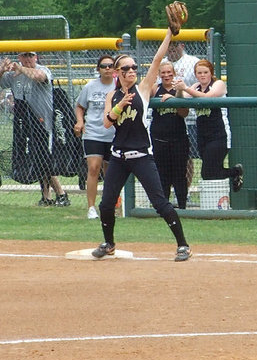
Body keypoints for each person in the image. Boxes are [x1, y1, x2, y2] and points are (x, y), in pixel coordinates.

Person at [92, 29, 191, 262]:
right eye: (126, 68)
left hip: (141, 156)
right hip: (118, 157)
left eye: (134, 67)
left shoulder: (143, 88)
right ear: (117, 72)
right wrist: (120, 106)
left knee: (159, 202)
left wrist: (169, 34)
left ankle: (183, 245)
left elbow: (157, 59)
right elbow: (107, 123)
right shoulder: (113, 96)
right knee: (106, 204)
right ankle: (109, 243)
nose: (132, 71)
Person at [0, 51, 70, 207]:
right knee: (38, 159)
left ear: (35, 57)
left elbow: (39, 77)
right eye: (24, 56)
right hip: (25, 124)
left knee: (44, 159)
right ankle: (47, 197)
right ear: (19, 57)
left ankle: (61, 194)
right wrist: (2, 69)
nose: (27, 59)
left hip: (43, 123)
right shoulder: (14, 75)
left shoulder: (42, 69)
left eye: (30, 56)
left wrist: (21, 69)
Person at [181, 60, 243, 191]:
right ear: (196, 74)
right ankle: (233, 175)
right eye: (199, 73)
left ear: (211, 73)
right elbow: (182, 97)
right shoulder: (195, 87)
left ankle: (235, 172)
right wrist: (175, 92)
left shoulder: (218, 84)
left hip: (219, 135)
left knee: (207, 173)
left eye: (205, 72)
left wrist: (185, 88)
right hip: (203, 135)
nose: (202, 75)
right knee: (214, 171)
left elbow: (208, 97)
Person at [75, 55, 116, 219]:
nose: (107, 68)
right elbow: (80, 106)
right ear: (98, 69)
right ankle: (91, 207)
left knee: (111, 171)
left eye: (110, 66)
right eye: (104, 66)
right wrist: (80, 121)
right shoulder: (90, 87)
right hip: (93, 133)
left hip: (113, 134)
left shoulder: (118, 86)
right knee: (93, 168)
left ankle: (109, 205)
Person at [151, 61, 190, 209]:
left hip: (179, 139)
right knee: (162, 175)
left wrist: (174, 98)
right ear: (159, 74)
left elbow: (184, 113)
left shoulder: (180, 89)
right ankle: (163, 207)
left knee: (179, 174)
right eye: (163, 73)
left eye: (169, 72)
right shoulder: (155, 89)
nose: (166, 75)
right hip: (159, 139)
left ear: (174, 73)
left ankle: (182, 207)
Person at [165, 40, 202, 191]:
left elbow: (201, 84)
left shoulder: (193, 62)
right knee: (167, 158)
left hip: (190, 117)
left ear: (182, 46)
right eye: (169, 45)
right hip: (166, 117)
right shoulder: (162, 63)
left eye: (175, 45)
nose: (172, 48)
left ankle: (184, 191)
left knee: (186, 157)